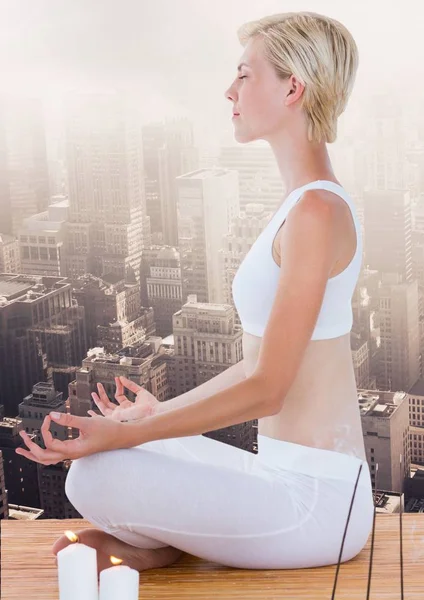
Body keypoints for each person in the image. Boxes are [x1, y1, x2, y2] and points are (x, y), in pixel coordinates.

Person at [49, 11, 374, 575]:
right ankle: (186, 539)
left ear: (292, 87)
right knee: (116, 455)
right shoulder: (302, 206)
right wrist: (154, 414)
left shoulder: (317, 212)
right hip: (279, 476)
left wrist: (135, 429)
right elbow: (258, 365)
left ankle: (178, 542)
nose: (230, 90)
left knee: (97, 471)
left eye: (245, 75)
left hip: (318, 505)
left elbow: (269, 390)